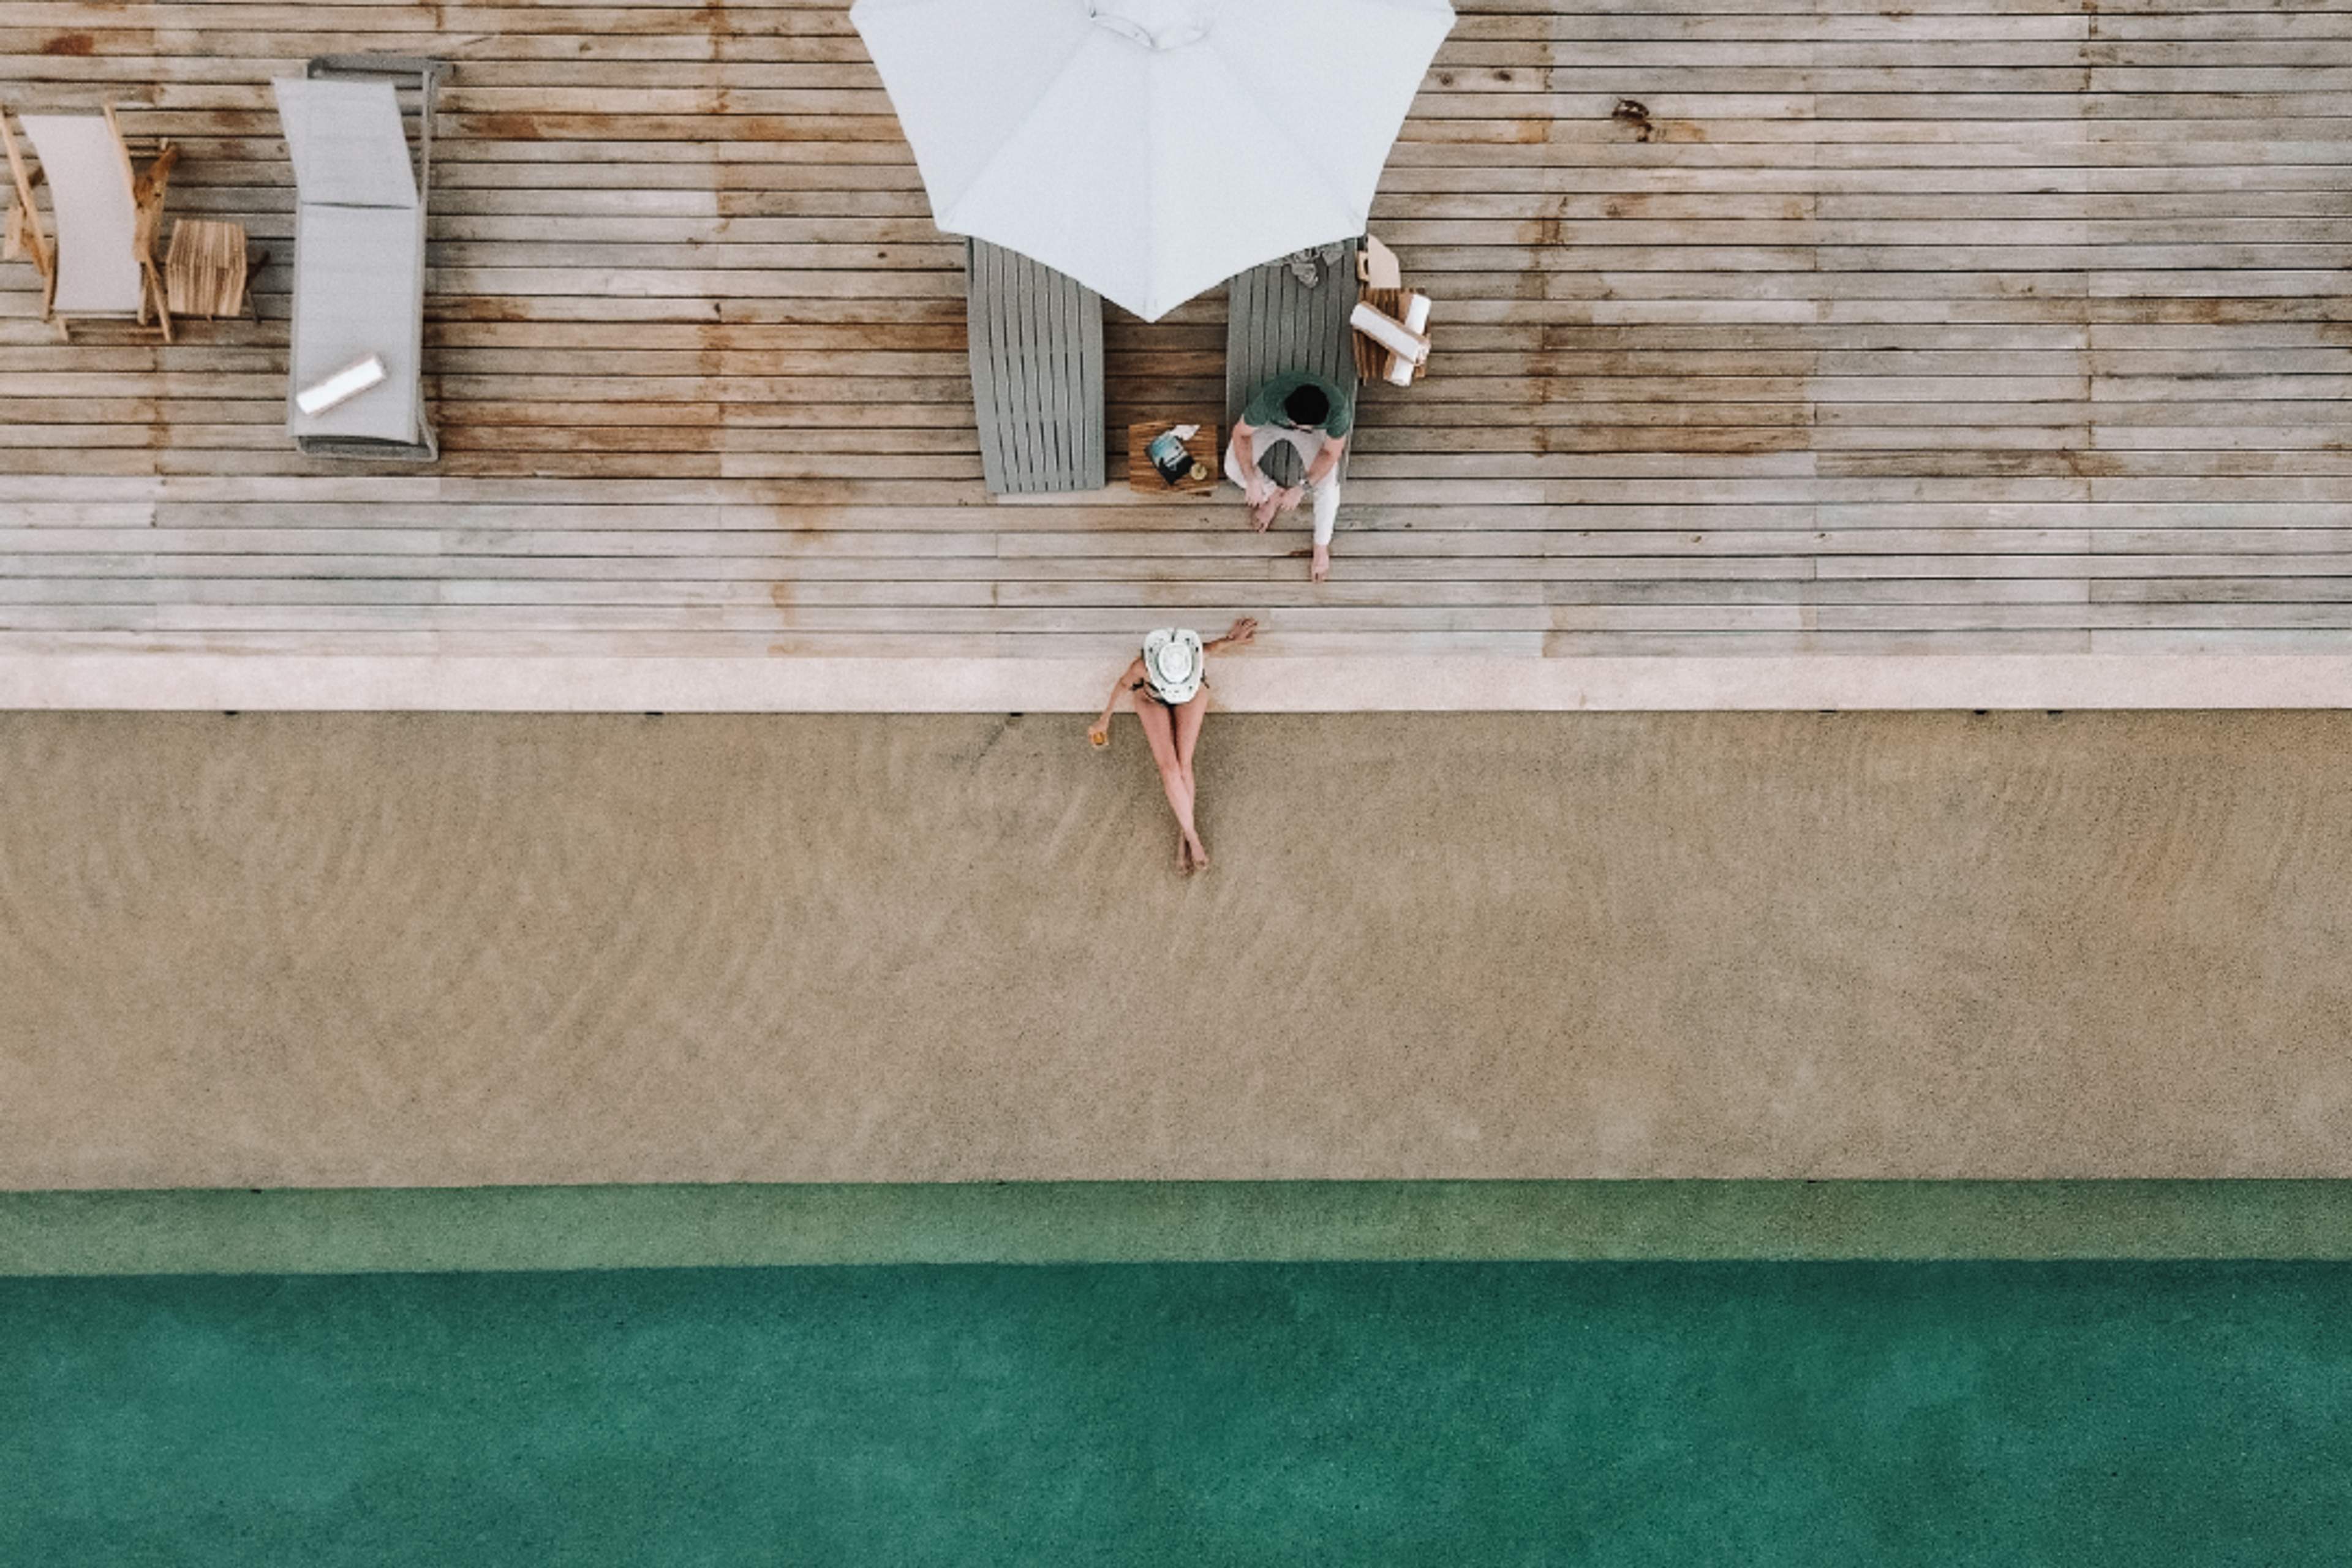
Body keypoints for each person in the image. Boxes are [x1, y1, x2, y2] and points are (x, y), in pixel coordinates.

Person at [1088, 617, 1258, 874]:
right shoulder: (1142, 667)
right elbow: (1123, 685)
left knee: (1184, 764)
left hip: (1190, 695)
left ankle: (1184, 832)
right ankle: (1192, 837)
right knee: (1170, 769)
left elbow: (1209, 649)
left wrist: (1232, 640)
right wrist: (1104, 718)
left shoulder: (1189, 656)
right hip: (1151, 699)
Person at [1226, 371, 1352, 583]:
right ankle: (1272, 494)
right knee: (1233, 468)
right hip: (1270, 425)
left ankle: (1321, 546)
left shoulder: (1339, 412)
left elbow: (1331, 453)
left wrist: (1302, 487)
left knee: (1329, 485)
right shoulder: (1270, 401)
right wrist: (1251, 479)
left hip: (1312, 434)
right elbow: (1241, 433)